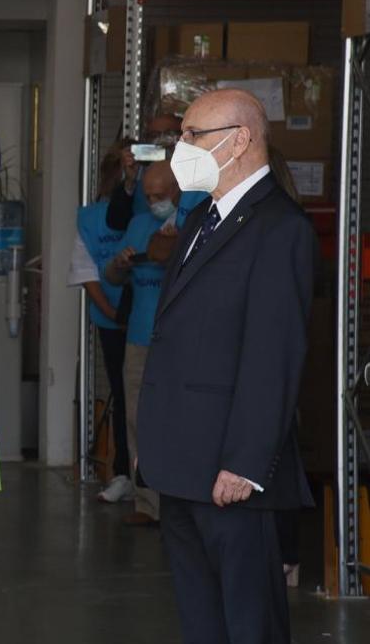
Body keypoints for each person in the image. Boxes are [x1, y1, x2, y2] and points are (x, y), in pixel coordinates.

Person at [138, 89, 315, 643]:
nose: (180, 150)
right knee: (202, 619)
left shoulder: (279, 228)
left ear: (240, 141)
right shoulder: (201, 221)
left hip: (230, 472)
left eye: (193, 137)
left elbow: (274, 354)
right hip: (183, 464)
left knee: (248, 621)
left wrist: (244, 462)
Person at [104, 158, 204, 528]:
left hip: (182, 340)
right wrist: (121, 262)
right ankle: (146, 502)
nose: (154, 202)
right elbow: (111, 278)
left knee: (182, 419)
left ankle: (184, 501)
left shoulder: (195, 223)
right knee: (136, 421)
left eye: (160, 195)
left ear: (179, 192)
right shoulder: (137, 224)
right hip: (139, 339)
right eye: (148, 196)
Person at [68, 140, 131, 503]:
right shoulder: (91, 217)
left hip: (143, 318)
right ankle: (123, 471)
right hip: (114, 322)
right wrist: (111, 313)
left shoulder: (147, 212)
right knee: (123, 397)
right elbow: (85, 270)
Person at [106, 113, 184, 231]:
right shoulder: (139, 173)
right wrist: (129, 181)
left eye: (168, 135)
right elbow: (116, 223)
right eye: (153, 135)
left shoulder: (195, 174)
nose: (160, 141)